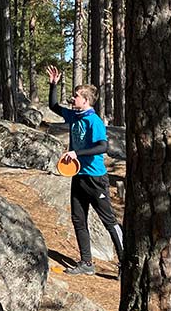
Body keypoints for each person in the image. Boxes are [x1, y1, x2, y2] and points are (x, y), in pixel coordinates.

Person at [47, 65, 124, 275]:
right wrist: (53, 85)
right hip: (78, 176)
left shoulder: (94, 121)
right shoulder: (75, 116)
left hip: (95, 178)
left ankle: (126, 264)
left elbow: (103, 146)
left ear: (86, 100)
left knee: (109, 221)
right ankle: (87, 263)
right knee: (78, 220)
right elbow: (53, 106)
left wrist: (77, 153)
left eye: (76, 96)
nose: (73, 99)